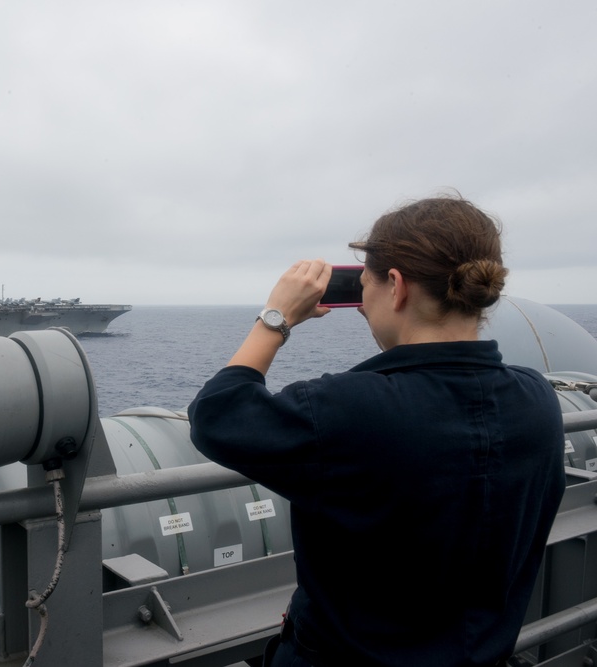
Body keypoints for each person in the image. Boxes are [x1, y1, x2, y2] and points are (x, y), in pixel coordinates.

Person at [187, 195, 566, 667]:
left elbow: (216, 414)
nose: (363, 307)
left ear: (397, 287)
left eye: (364, 286)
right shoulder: (538, 401)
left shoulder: (346, 409)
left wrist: (276, 318)